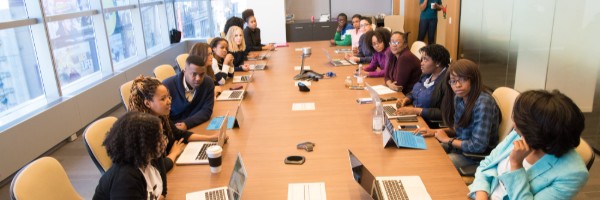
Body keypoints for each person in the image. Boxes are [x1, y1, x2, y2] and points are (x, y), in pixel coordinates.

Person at [469, 90, 589, 199]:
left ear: (536, 131)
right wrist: (481, 194)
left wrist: (516, 165)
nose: (514, 124)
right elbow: (487, 165)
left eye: (519, 121)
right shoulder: (521, 134)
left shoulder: (573, 173)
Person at [129, 75, 218, 172]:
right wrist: (173, 154)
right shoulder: (142, 130)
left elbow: (180, 135)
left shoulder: (161, 118)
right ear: (147, 103)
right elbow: (155, 169)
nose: (169, 101)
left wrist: (211, 138)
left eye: (168, 96)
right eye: (163, 99)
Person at [430, 59, 499, 170]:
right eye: (453, 81)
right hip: (460, 148)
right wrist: (433, 132)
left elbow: (478, 146)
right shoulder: (459, 98)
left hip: (476, 158)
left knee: (436, 164)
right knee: (428, 151)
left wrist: (447, 140)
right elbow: (459, 129)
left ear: (473, 80)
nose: (457, 85)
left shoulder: (483, 103)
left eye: (463, 79)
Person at [93, 112, 167, 199]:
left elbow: (162, 192)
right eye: (159, 136)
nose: (164, 140)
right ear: (143, 143)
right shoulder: (125, 179)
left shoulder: (148, 159)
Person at [395, 44, 450, 127]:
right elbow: (416, 90)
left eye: (425, 60)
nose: (421, 63)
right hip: (417, 118)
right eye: (422, 59)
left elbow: (445, 113)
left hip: (429, 125)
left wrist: (416, 111)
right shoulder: (426, 75)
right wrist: (407, 98)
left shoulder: (448, 82)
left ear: (438, 63)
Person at [163, 55, 215, 129]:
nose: (198, 78)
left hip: (196, 126)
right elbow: (163, 118)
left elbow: (207, 111)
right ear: (184, 71)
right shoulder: (167, 86)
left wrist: (186, 124)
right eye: (194, 74)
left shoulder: (208, 83)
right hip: (175, 129)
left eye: (202, 74)